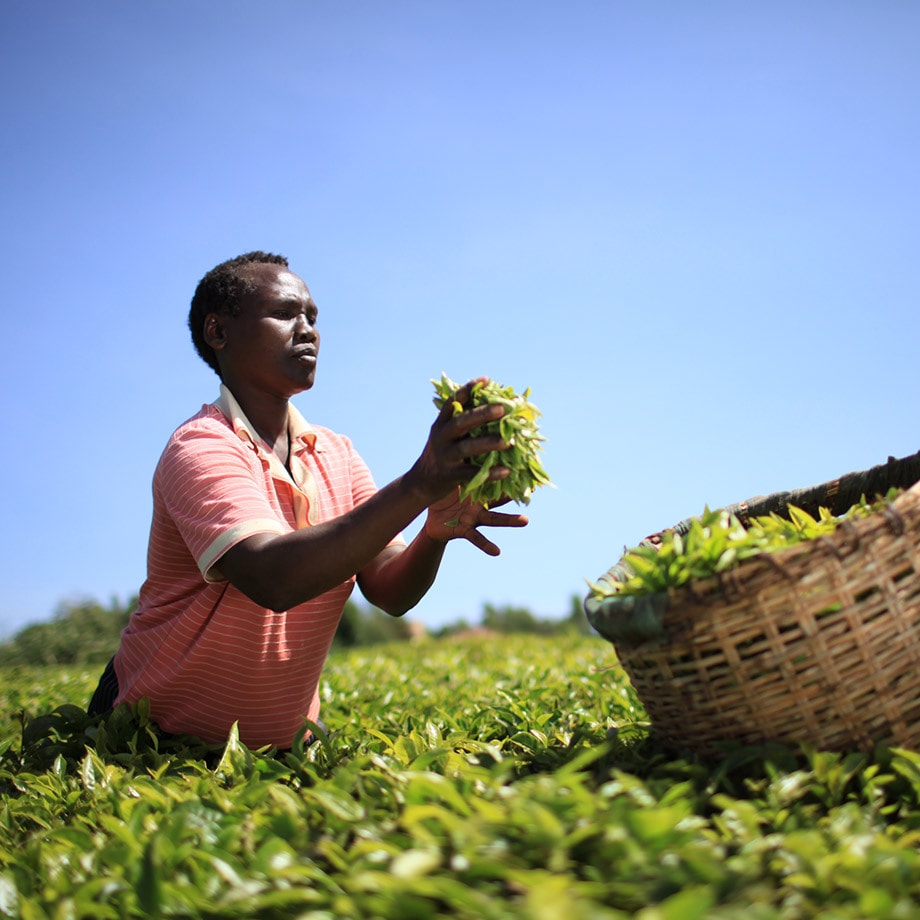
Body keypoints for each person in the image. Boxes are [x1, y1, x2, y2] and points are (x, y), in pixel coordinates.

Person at [87, 251, 528, 749]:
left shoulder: (336, 452)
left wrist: (431, 533)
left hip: (279, 749)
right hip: (150, 735)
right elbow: (273, 578)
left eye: (313, 318)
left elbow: (389, 589)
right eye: (285, 313)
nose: (308, 330)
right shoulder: (202, 445)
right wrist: (416, 485)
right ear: (218, 332)